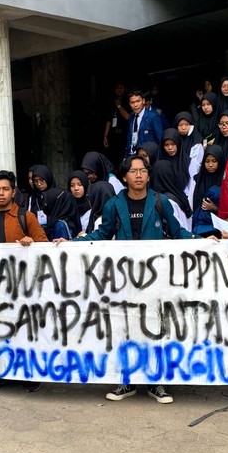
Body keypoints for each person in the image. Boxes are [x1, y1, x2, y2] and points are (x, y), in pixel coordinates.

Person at [66, 155, 194, 405]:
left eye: (143, 170)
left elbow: (177, 232)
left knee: (156, 329)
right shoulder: (114, 204)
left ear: (148, 175)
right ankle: (128, 380)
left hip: (155, 278)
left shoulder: (160, 201)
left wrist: (204, 241)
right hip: (125, 280)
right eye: (133, 171)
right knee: (127, 328)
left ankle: (157, 382)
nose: (138, 175)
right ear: (124, 177)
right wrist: (71, 243)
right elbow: (102, 234)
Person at [0, 170, 47, 393]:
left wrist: (31, 241)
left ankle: (28, 374)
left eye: (5, 189)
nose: (0, 193)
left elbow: (44, 245)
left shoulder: (26, 217)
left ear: (13, 192)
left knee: (23, 329)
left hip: (22, 288)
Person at [191, 145, 225, 237]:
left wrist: (215, 208)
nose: (210, 165)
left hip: (221, 229)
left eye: (214, 161)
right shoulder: (197, 180)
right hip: (199, 228)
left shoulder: (225, 182)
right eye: (207, 161)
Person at [125, 88, 164, 156]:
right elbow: (129, 138)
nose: (135, 105)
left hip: (148, 157)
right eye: (132, 102)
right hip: (132, 155)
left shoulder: (153, 116)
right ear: (129, 103)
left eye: (138, 101)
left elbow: (160, 139)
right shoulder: (131, 117)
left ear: (143, 101)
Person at [102, 82, 129, 161]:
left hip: (124, 134)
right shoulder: (111, 101)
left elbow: (128, 117)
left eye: (121, 87)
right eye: (118, 87)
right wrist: (105, 136)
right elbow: (108, 119)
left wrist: (119, 106)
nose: (119, 89)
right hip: (113, 134)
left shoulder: (127, 101)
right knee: (113, 156)